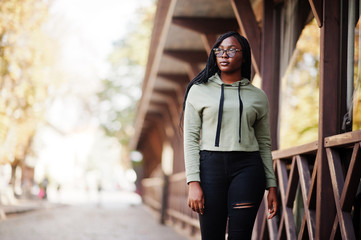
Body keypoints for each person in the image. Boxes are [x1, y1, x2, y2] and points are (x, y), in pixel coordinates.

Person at [182, 31, 278, 240]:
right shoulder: (198, 91)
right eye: (220, 50)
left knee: (240, 236)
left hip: (248, 169)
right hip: (210, 169)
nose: (224, 55)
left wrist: (271, 185)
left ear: (244, 56)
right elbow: (190, 139)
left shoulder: (257, 96)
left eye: (232, 50)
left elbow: (264, 142)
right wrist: (193, 182)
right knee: (211, 236)